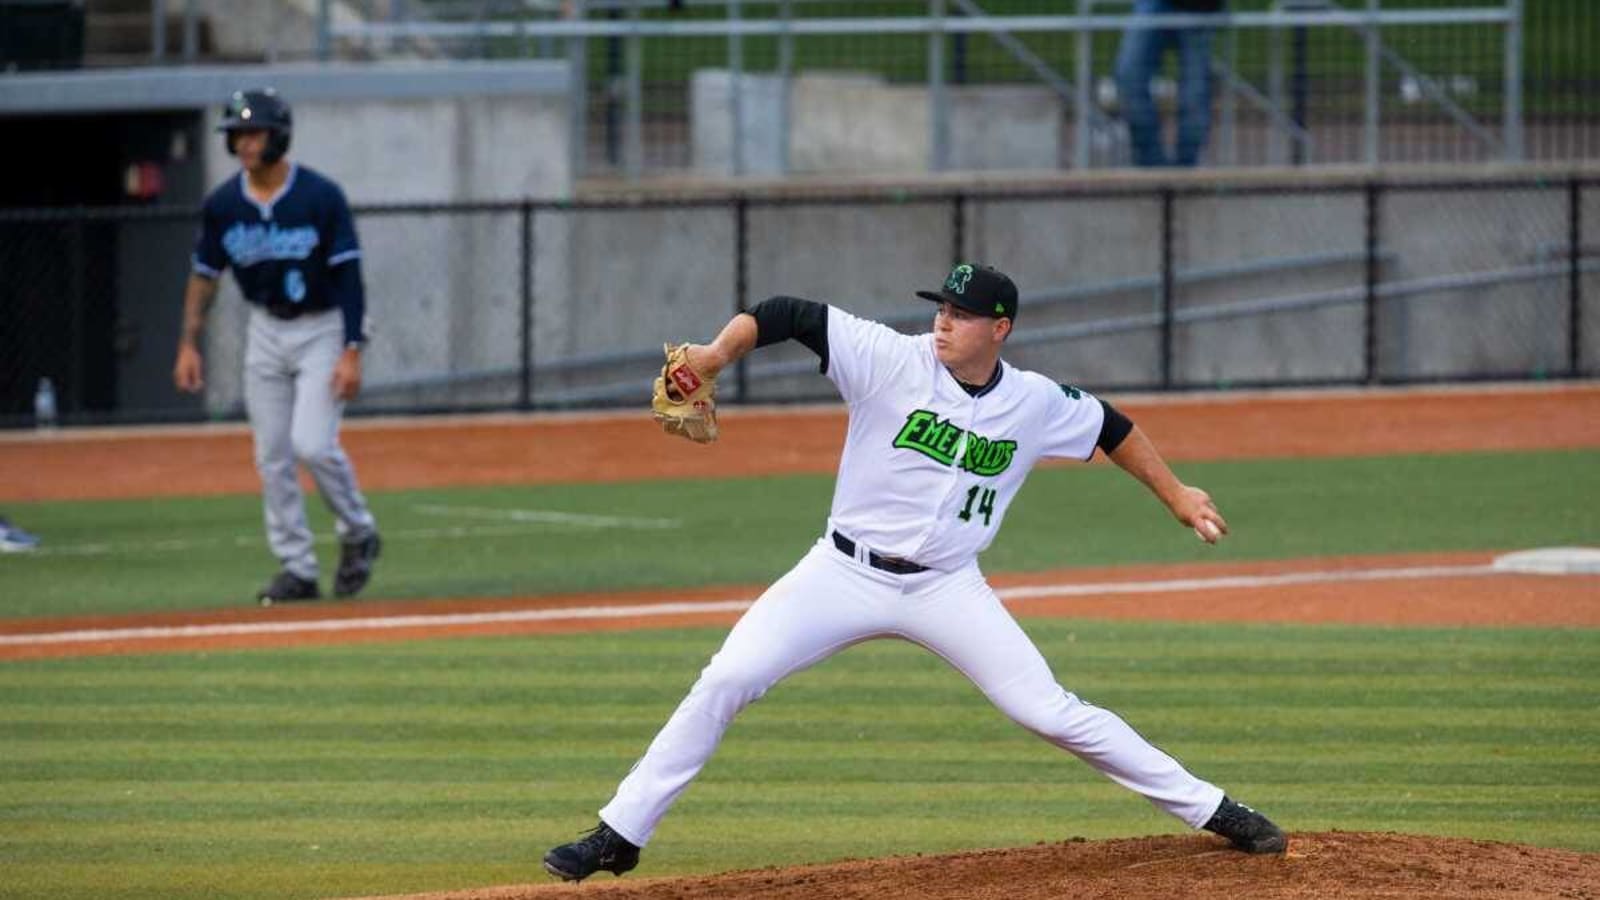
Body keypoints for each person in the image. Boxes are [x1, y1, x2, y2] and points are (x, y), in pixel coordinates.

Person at [543, 263, 1287, 882]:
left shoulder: (1031, 402)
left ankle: (1218, 811)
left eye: (962, 314)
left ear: (1000, 329)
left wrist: (1178, 495)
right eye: (942, 308)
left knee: (1049, 710)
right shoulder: (889, 358)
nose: (944, 321)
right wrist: (711, 356)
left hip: (946, 585)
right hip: (840, 572)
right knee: (728, 678)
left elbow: (1112, 428)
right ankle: (621, 832)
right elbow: (784, 312)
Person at [172, 87, 381, 606]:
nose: (244, 144)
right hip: (265, 328)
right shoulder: (223, 205)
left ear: (278, 135)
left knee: (312, 443)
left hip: (323, 326)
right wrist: (188, 343)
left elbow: (350, 277)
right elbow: (205, 276)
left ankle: (358, 530)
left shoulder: (319, 196)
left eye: (254, 133)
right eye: (237, 135)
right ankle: (298, 568)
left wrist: (351, 347)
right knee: (271, 456)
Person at [1114, 0, 1224, 167]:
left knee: (1195, 93)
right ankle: (1154, 167)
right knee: (1129, 76)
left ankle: (1185, 173)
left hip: (1199, 8)